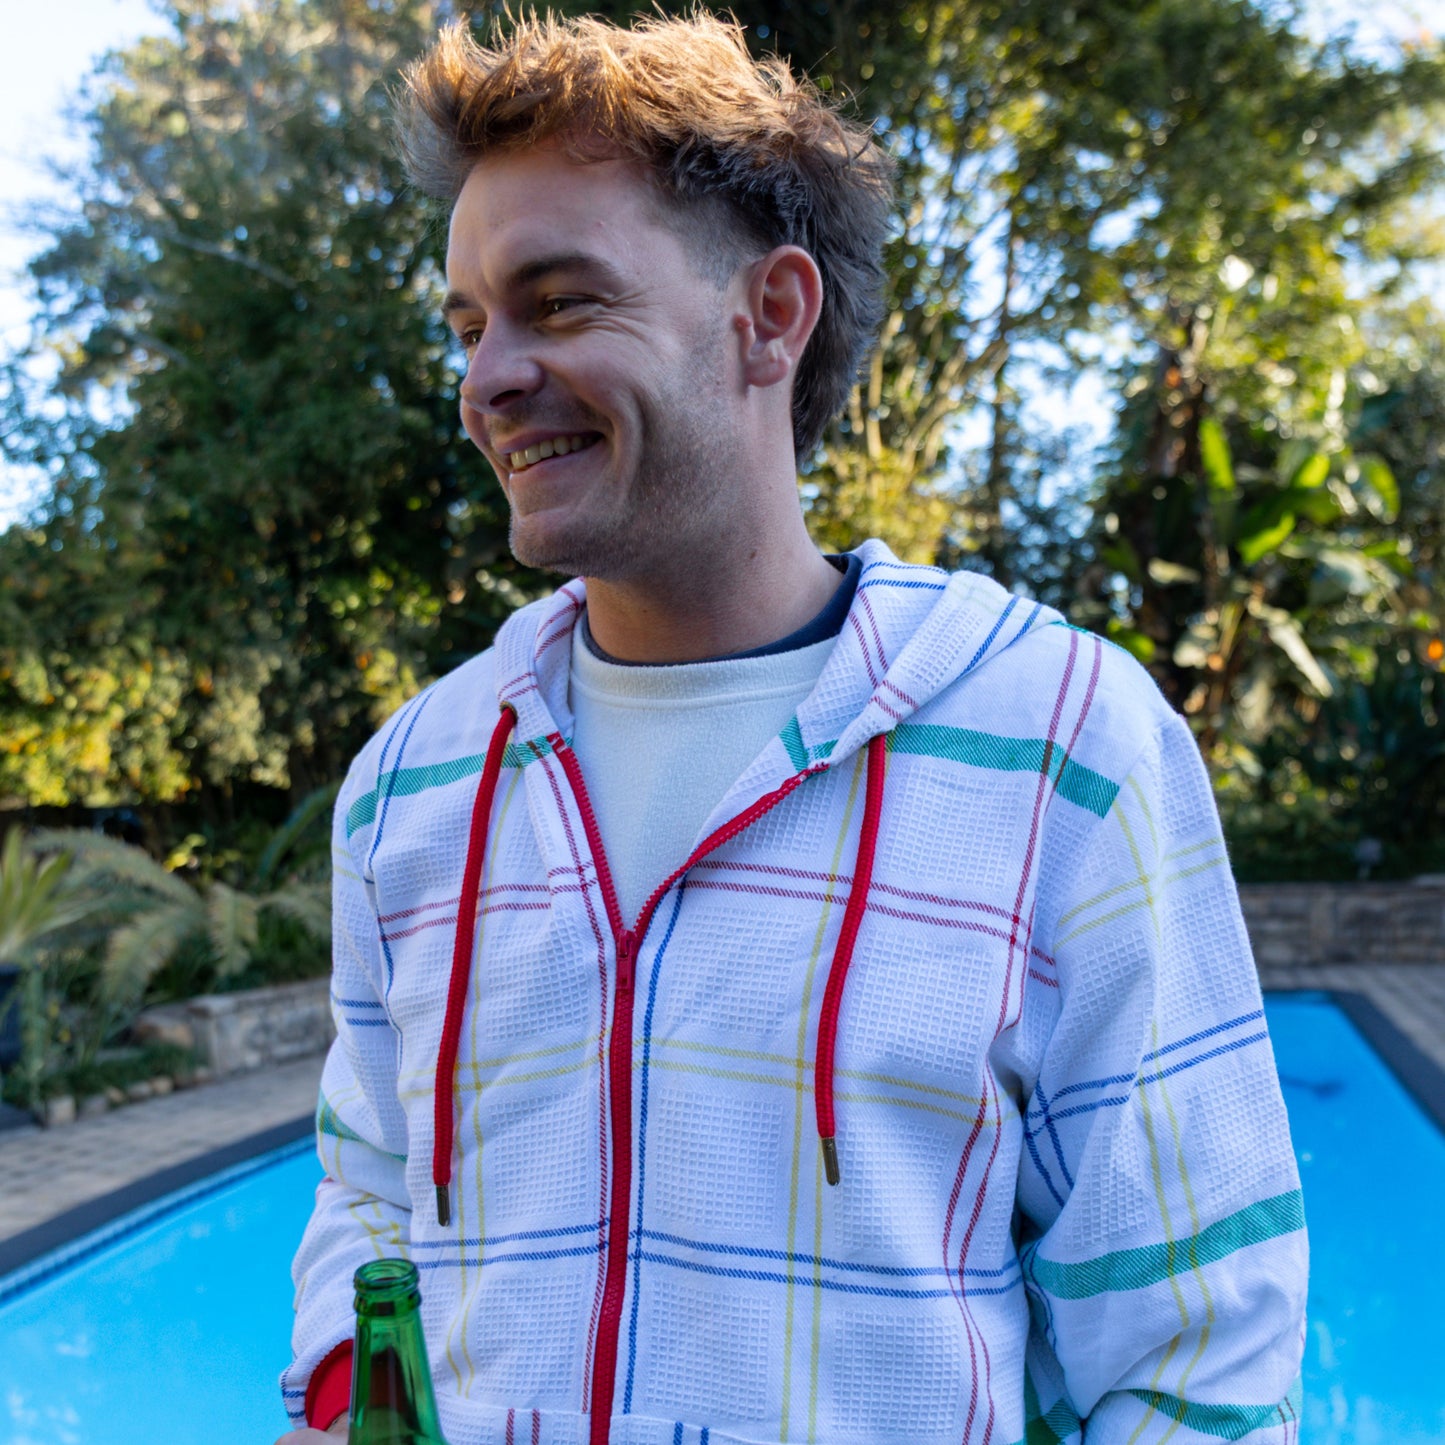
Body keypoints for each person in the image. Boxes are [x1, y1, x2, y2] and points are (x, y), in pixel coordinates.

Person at [277, 13, 1307, 1444]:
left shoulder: (1061, 745)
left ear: (768, 315)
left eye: (559, 303)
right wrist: (343, 1390)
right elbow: (371, 1181)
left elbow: (1193, 1344)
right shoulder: (413, 781)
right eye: (466, 324)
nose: (486, 376)